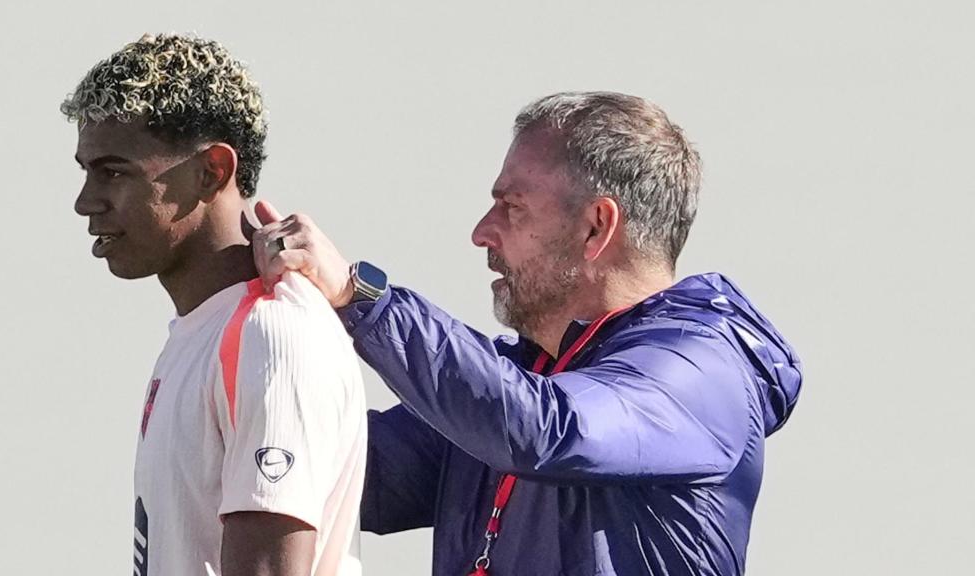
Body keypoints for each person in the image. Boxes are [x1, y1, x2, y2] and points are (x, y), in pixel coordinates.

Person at [252, 92, 803, 575]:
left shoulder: (701, 372)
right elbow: (344, 474)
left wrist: (360, 297)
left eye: (511, 208)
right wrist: (237, 298)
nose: (480, 232)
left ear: (596, 227)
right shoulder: (516, 381)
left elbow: (547, 430)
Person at [63, 33, 366, 576]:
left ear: (212, 172)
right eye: (85, 171)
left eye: (113, 172)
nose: (85, 202)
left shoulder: (273, 335)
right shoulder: (204, 329)